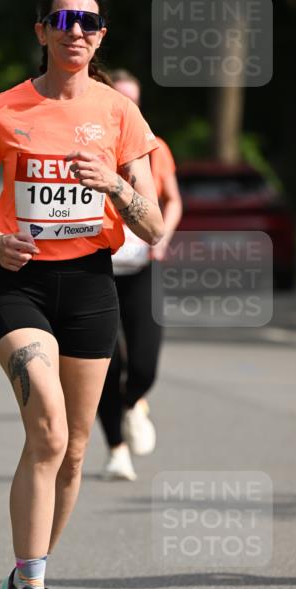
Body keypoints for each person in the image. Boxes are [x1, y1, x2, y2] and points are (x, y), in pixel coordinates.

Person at [0, 0, 164, 589]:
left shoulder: (117, 112)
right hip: (18, 283)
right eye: (64, 20)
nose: (78, 31)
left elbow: (154, 224)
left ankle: (22, 578)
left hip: (89, 284)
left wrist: (114, 186)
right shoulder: (4, 109)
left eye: (91, 22)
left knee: (73, 449)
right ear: (41, 29)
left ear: (101, 35)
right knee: (46, 429)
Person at [98, 70, 183, 480]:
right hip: (96, 269)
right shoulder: (89, 143)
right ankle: (116, 450)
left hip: (141, 268)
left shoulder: (153, 146)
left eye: (134, 100)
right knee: (106, 366)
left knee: (145, 365)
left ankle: (133, 403)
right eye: (121, 98)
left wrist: (163, 235)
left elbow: (172, 200)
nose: (128, 107)